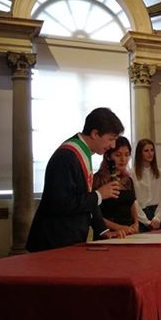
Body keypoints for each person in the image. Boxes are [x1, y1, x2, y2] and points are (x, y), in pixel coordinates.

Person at [26, 107, 126, 252]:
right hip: (55, 240)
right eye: (111, 139)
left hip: (69, 238)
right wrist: (99, 195)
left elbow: (86, 197)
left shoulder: (83, 153)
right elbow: (60, 203)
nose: (113, 146)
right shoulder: (67, 156)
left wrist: (103, 231)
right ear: (95, 134)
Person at [93, 136, 140, 235]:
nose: (123, 159)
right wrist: (118, 227)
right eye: (118, 155)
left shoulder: (128, 180)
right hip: (108, 233)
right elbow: (95, 214)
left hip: (128, 231)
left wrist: (136, 222)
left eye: (127, 155)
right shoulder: (98, 179)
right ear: (108, 156)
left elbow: (132, 203)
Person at [131, 139, 161, 232]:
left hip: (157, 215)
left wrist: (158, 218)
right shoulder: (132, 174)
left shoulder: (160, 172)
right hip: (141, 216)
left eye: (152, 150)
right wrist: (146, 221)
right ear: (140, 153)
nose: (150, 153)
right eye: (146, 151)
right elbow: (134, 200)